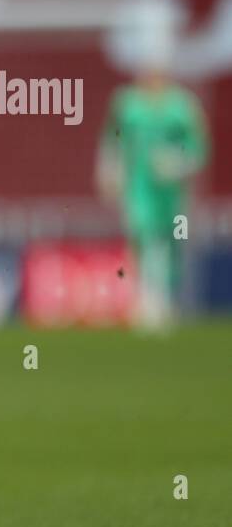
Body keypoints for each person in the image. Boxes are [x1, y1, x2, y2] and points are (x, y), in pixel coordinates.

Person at [96, 67, 209, 330]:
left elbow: (198, 148)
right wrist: (109, 170)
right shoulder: (127, 106)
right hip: (139, 187)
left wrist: (177, 163)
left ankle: (166, 299)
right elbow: (113, 140)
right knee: (143, 237)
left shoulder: (182, 108)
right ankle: (147, 300)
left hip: (174, 193)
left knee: (171, 241)